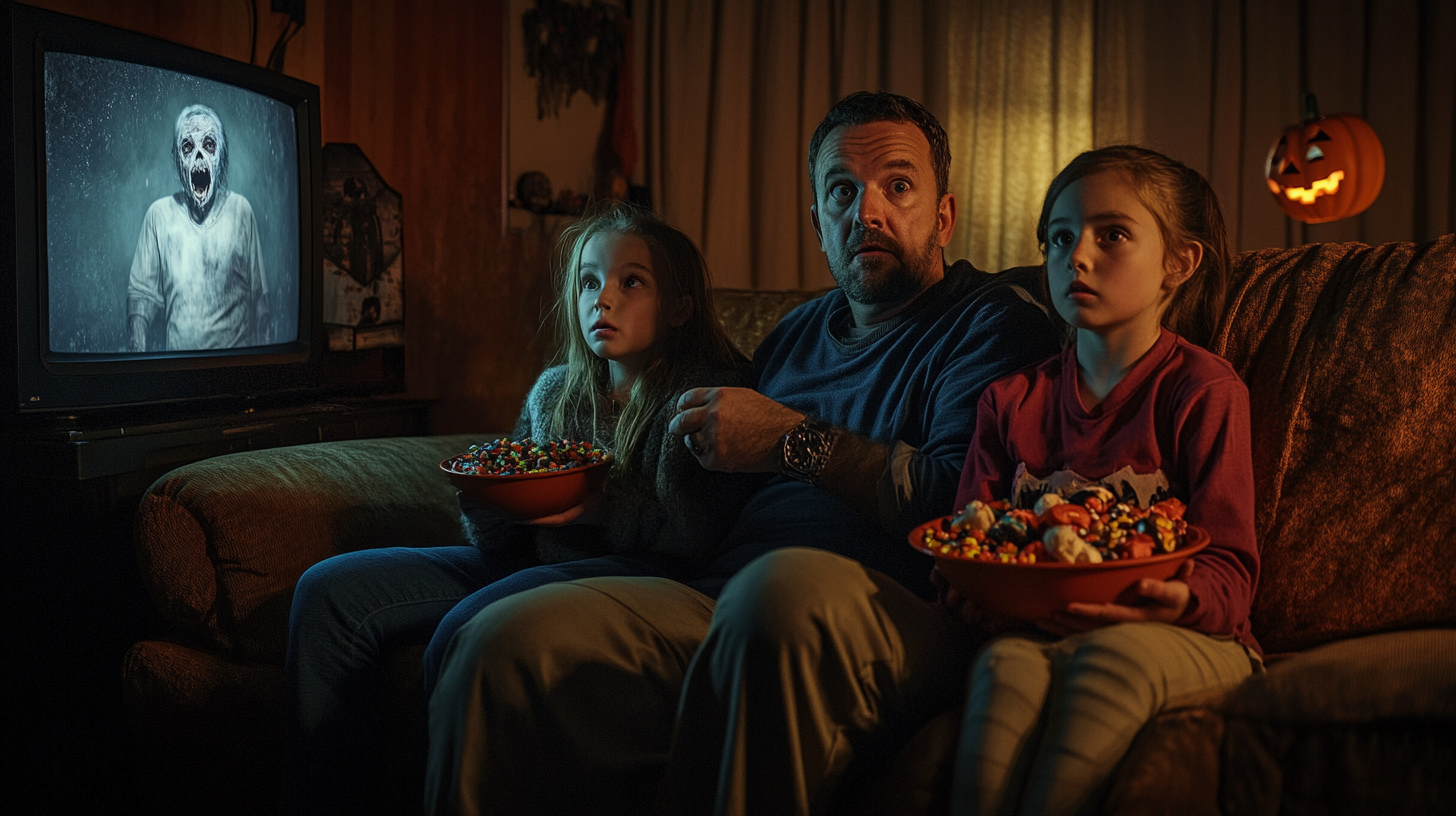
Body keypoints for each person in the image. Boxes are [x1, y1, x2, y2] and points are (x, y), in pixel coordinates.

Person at [424, 91, 1065, 815]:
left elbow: (959, 504)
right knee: (499, 644)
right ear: (818, 222)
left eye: (899, 185)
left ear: (943, 215)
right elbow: (703, 471)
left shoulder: (989, 324)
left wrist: (790, 440)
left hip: (888, 606)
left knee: (781, 586)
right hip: (716, 591)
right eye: (842, 192)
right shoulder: (794, 334)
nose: (868, 212)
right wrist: (585, 484)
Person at [280, 202, 766, 814]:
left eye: (630, 282)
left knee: (469, 628)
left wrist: (599, 509)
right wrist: (491, 500)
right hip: (531, 560)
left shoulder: (702, 398)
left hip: (640, 578)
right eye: (589, 282)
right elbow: (502, 544)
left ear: (679, 305)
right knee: (328, 593)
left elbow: (695, 537)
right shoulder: (556, 390)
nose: (603, 299)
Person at [943, 145, 1263, 816]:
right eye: (1059, 238)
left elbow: (1231, 569)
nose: (1076, 257)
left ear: (1179, 263)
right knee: (1003, 667)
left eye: (1110, 234)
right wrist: (991, 599)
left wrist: (1174, 601)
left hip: (1189, 637)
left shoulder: (1203, 390)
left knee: (1108, 667)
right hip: (1034, 632)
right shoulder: (1010, 402)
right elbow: (961, 552)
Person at [127, 103, 270, 351]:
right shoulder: (159, 215)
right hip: (180, 376)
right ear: (178, 162)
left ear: (221, 157)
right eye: (188, 147)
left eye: (209, 145)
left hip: (235, 372)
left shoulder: (241, 211)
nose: (199, 157)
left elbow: (260, 302)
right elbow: (140, 299)